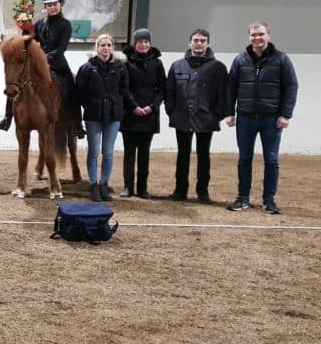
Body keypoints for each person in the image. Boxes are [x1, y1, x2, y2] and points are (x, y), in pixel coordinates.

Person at [224, 22, 298, 214]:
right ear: (249, 37)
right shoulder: (240, 59)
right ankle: (242, 198)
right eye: (253, 35)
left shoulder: (282, 59)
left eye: (261, 34)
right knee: (244, 158)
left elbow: (291, 87)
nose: (257, 38)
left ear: (268, 36)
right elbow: (231, 88)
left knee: (271, 160)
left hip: (271, 119)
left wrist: (285, 114)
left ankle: (269, 200)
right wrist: (229, 112)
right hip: (245, 118)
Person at [0, 0, 82, 137]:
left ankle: (77, 124)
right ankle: (7, 119)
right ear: (45, 7)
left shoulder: (65, 25)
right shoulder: (40, 24)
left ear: (60, 4)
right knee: (15, 83)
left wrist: (46, 57)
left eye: (55, 4)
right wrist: (25, 28)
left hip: (58, 64)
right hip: (38, 65)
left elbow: (61, 48)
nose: (52, 7)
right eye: (49, 5)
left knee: (72, 88)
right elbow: (31, 41)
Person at [164, 28, 228, 203]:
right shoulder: (177, 66)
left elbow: (223, 93)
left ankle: (203, 192)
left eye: (202, 41)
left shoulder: (218, 68)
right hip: (182, 117)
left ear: (208, 44)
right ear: (189, 43)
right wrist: (172, 111)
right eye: (196, 40)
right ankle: (180, 191)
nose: (199, 44)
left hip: (206, 118)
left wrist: (217, 115)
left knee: (203, 154)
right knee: (182, 154)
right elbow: (170, 91)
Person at [75, 33, 133, 202]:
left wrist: (125, 107)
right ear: (97, 47)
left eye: (108, 45)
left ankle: (104, 185)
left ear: (112, 47)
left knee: (108, 152)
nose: (105, 48)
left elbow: (124, 90)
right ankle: (93, 186)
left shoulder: (120, 68)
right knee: (93, 152)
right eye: (102, 45)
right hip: (93, 115)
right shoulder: (87, 67)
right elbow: (80, 92)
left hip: (113, 115)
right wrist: (90, 105)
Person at [119, 28, 166, 199]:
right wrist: (134, 106)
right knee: (129, 153)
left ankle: (142, 188)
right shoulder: (125, 62)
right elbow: (123, 87)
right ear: (135, 43)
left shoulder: (157, 63)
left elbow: (162, 89)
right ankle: (127, 187)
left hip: (150, 115)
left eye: (146, 42)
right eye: (140, 42)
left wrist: (152, 107)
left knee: (144, 153)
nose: (143, 44)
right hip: (130, 114)